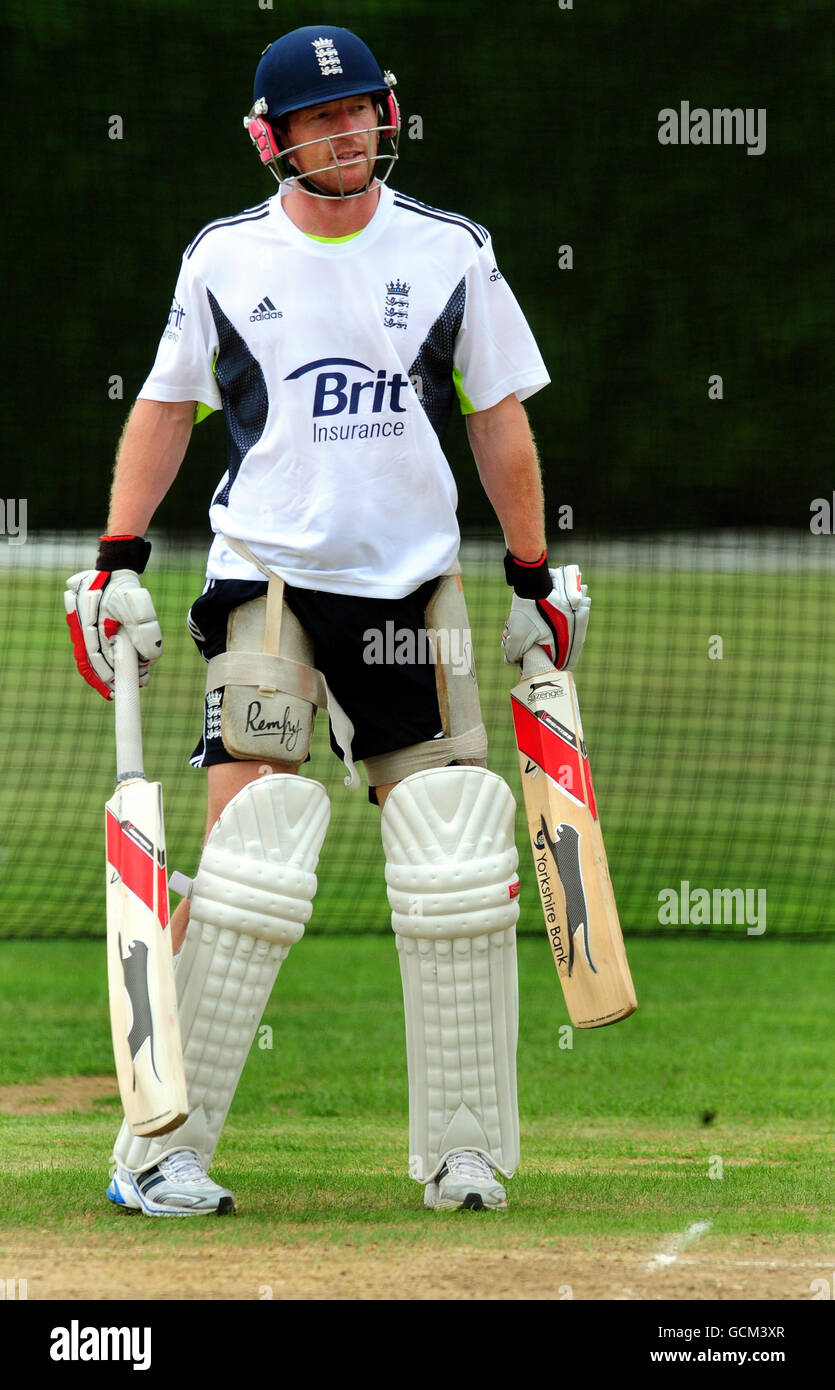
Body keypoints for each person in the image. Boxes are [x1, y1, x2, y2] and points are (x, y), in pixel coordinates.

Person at [65, 25, 590, 1216]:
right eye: (319, 117)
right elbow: (162, 409)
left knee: (458, 852)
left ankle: (463, 1149)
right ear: (274, 138)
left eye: (359, 108)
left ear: (386, 114)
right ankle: (161, 1147)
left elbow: (498, 419)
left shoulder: (454, 252)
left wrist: (530, 575)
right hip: (270, 579)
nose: (346, 130)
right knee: (250, 858)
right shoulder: (224, 259)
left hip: (417, 583)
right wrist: (114, 560)